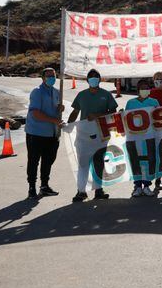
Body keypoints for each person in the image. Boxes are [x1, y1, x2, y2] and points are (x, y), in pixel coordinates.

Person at [68, 69, 118, 202]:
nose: (94, 79)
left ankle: (99, 190)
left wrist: (98, 115)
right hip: (83, 134)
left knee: (98, 162)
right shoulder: (81, 95)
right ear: (87, 80)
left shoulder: (106, 95)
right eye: (91, 77)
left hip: (101, 133)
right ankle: (81, 191)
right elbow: (75, 111)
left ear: (100, 79)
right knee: (83, 164)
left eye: (96, 77)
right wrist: (68, 125)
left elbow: (113, 111)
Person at [24, 67, 64, 199]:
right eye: (48, 76)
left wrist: (60, 108)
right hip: (36, 132)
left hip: (52, 133)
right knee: (34, 160)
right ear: (43, 78)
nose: (51, 78)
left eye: (53, 76)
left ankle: (44, 186)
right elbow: (35, 113)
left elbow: (55, 108)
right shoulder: (37, 92)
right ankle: (31, 187)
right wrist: (54, 120)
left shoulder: (57, 92)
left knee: (48, 160)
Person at [125, 79, 159, 197]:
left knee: (149, 160)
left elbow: (158, 118)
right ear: (138, 89)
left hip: (149, 136)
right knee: (135, 160)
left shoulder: (154, 102)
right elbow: (126, 119)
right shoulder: (130, 103)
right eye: (142, 88)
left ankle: (147, 185)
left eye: (146, 87)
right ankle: (138, 186)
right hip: (134, 137)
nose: (144, 90)